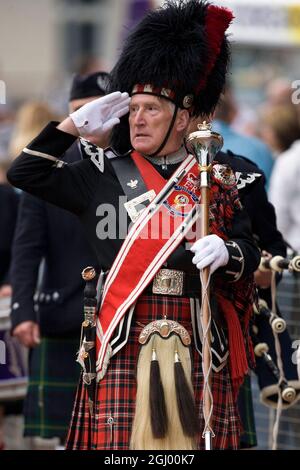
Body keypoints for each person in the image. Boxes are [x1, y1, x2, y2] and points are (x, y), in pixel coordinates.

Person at [7, 0, 261, 450]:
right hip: (123, 334)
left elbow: (249, 250)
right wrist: (71, 128)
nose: (138, 119)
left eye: (151, 109)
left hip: (197, 336)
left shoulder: (212, 179)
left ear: (182, 118)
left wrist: (226, 252)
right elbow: (24, 175)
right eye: (134, 108)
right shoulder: (100, 172)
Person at [9, 72, 110, 448]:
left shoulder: (133, 164)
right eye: (80, 112)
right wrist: (23, 309)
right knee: (63, 438)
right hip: (64, 314)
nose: (90, 120)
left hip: (120, 319)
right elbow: (27, 245)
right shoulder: (51, 166)